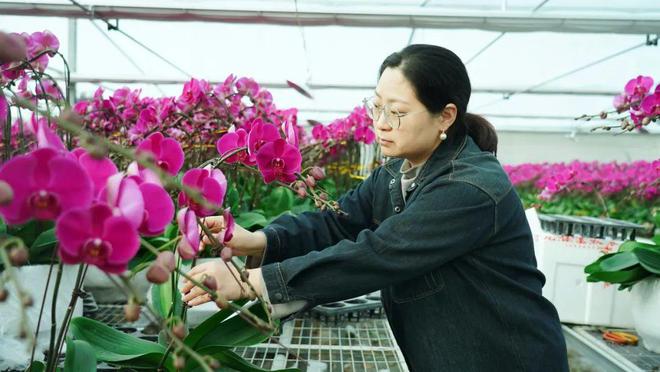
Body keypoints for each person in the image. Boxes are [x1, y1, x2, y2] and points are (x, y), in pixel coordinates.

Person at [182, 44, 569, 371]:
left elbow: (378, 255)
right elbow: (338, 223)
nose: (380, 124)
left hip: (504, 355)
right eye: (376, 107)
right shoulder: (396, 173)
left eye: (396, 112)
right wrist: (257, 240)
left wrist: (251, 281)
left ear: (445, 116)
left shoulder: (470, 189)